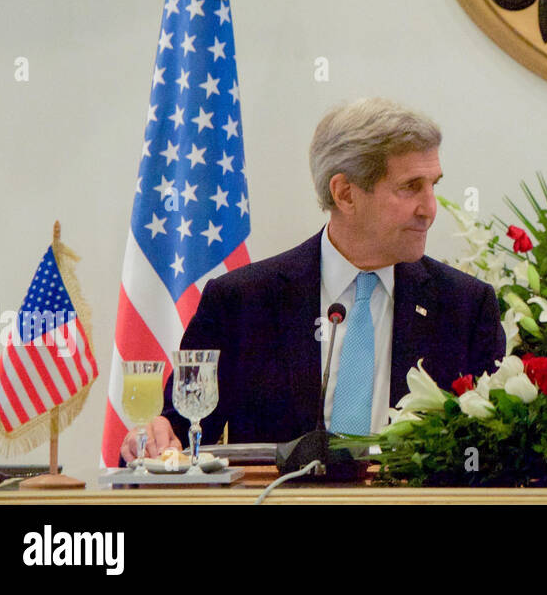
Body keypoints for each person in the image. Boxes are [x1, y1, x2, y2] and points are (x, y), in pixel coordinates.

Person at [121, 99, 504, 461]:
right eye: (410, 187)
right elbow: (182, 427)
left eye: (433, 184)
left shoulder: (465, 307)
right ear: (345, 194)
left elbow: (493, 449)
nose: (430, 210)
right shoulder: (242, 301)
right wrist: (155, 436)